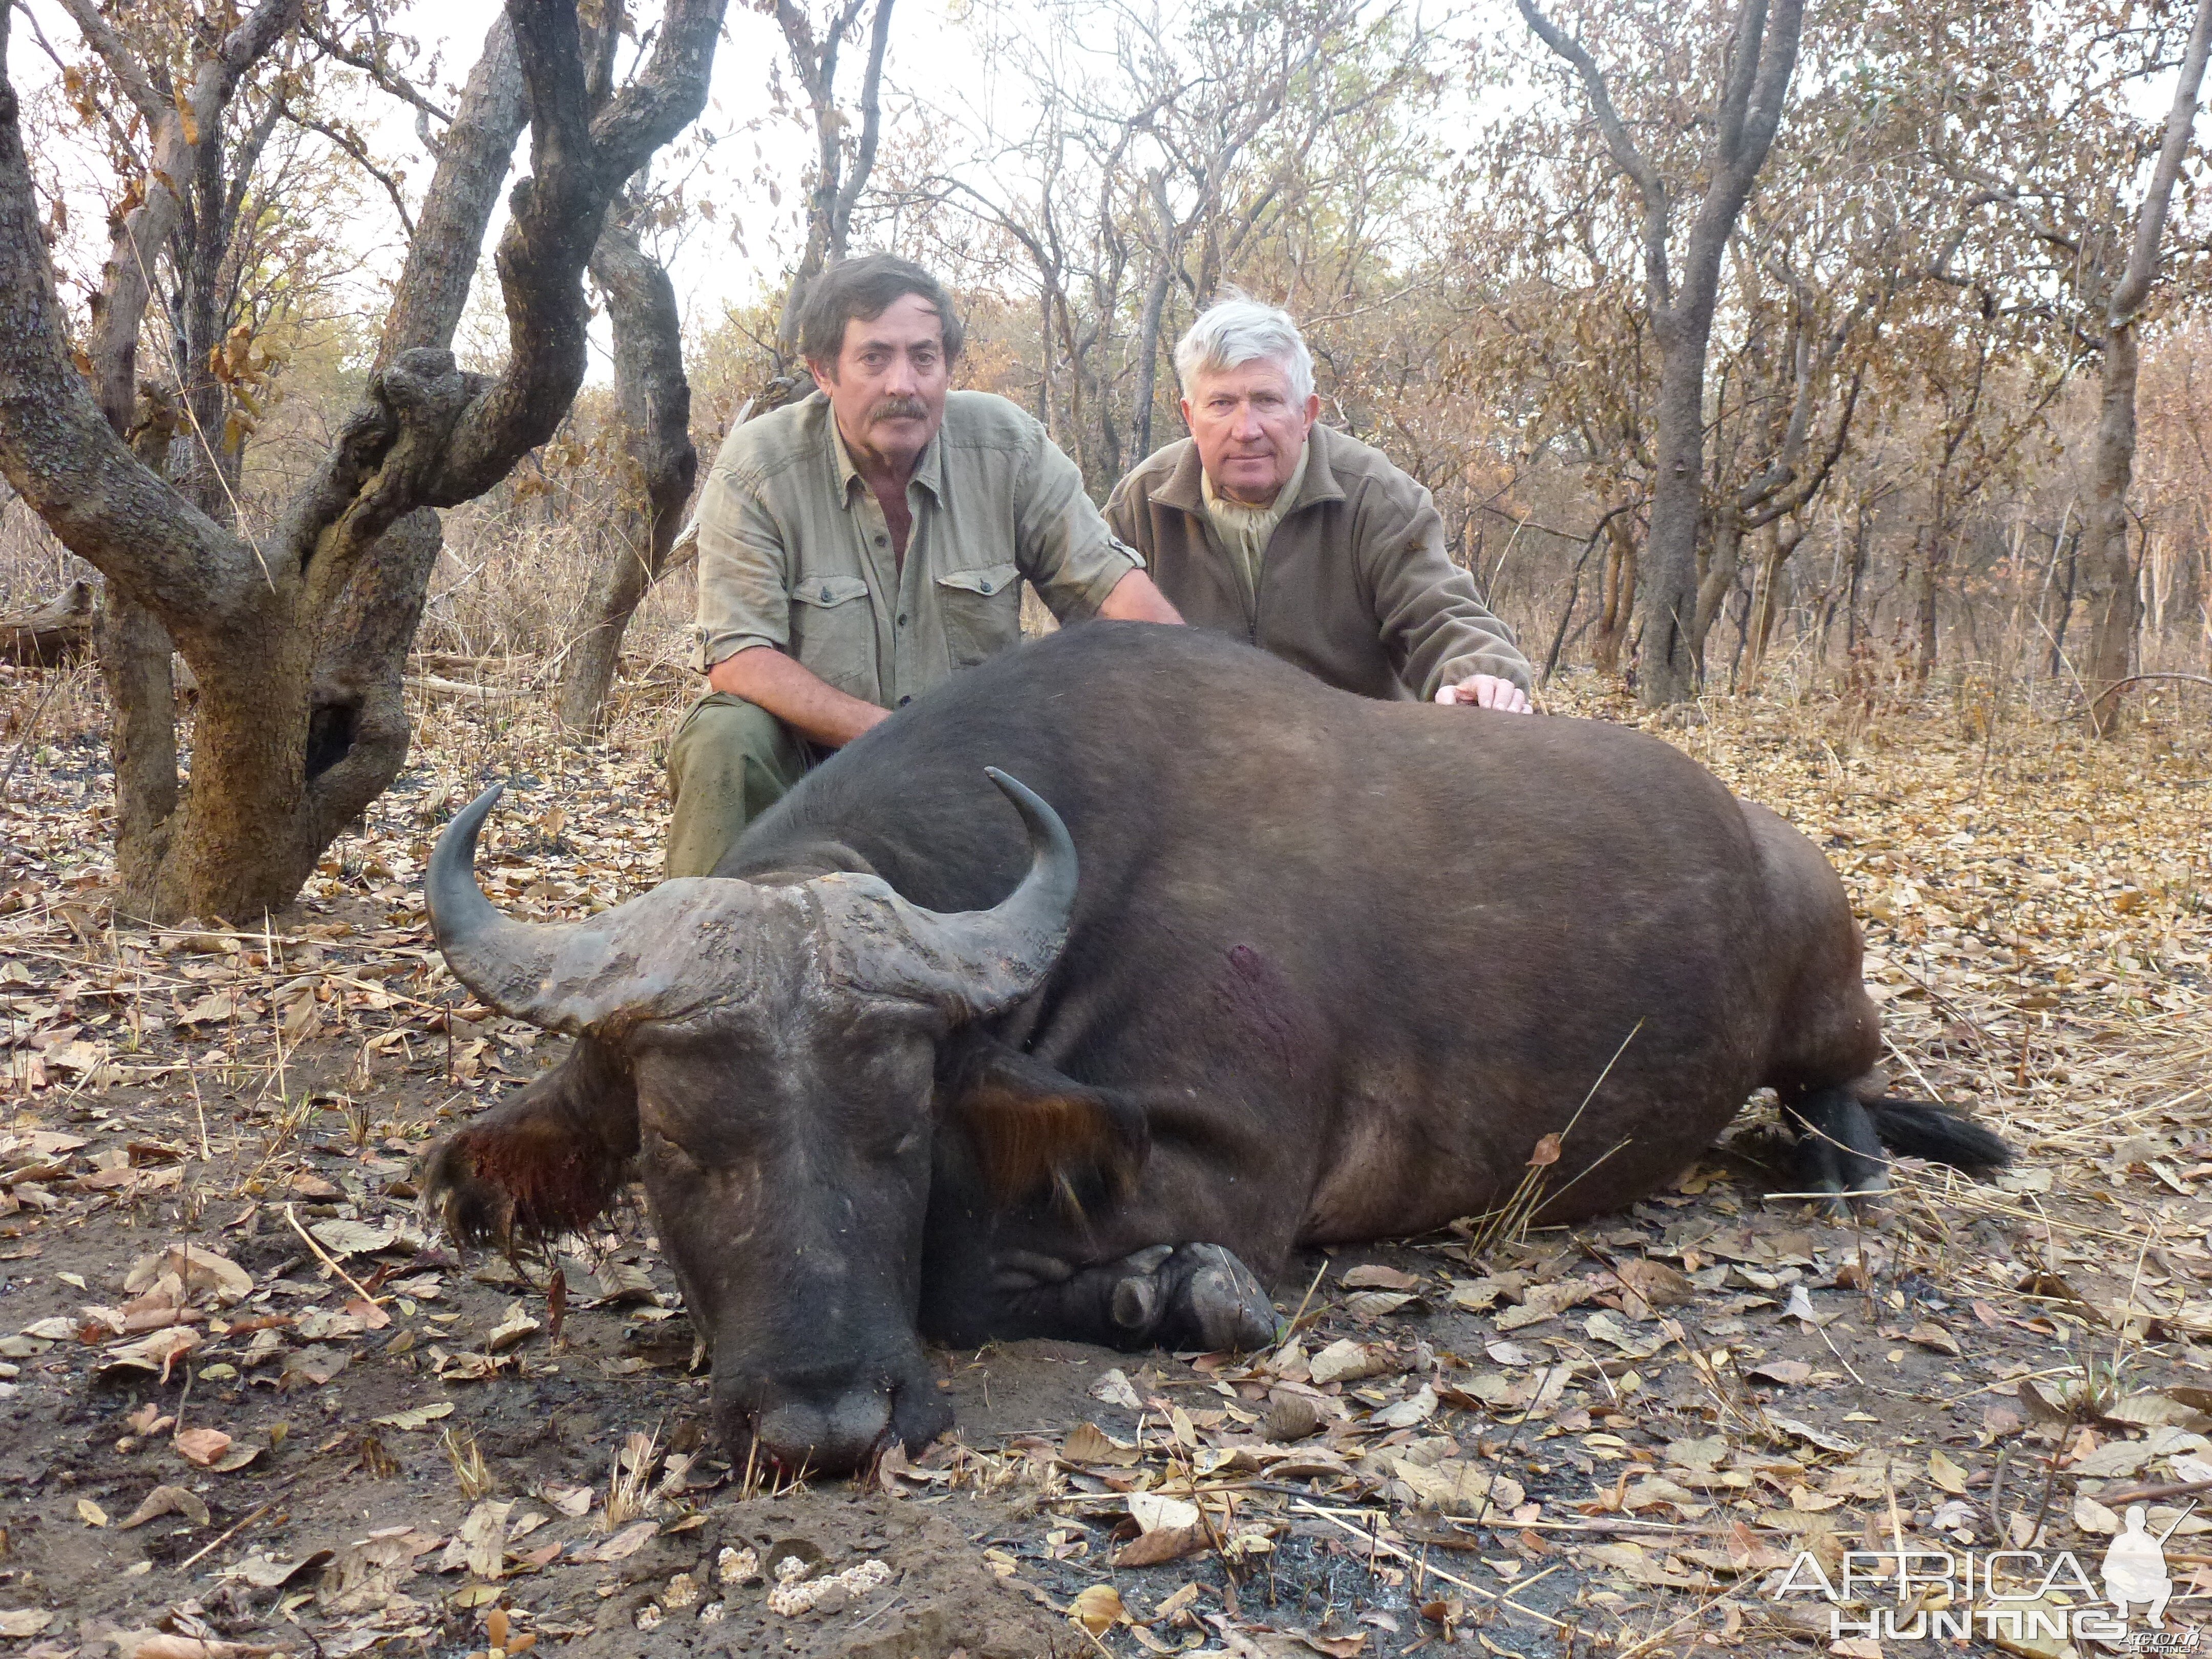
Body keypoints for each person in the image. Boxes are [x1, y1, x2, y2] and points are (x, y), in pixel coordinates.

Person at [668, 254, 1182, 878]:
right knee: (727, 738)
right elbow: (739, 658)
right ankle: (706, 942)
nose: (903, 385)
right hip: (816, 770)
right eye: (875, 358)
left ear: (947, 367)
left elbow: (1113, 596)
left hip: (976, 766)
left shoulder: (1007, 445)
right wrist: (899, 742)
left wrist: (1198, 694)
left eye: (924, 357)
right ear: (823, 371)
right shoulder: (760, 465)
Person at [1107, 294, 1533, 712]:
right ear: (1190, 417)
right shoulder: (1141, 506)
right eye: (1221, 404)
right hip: (1190, 753)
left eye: (1267, 401)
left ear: (1307, 413)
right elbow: (1090, 647)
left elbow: (1439, 610)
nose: (1246, 429)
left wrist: (1479, 672)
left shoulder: (1376, 495)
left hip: (1351, 758)